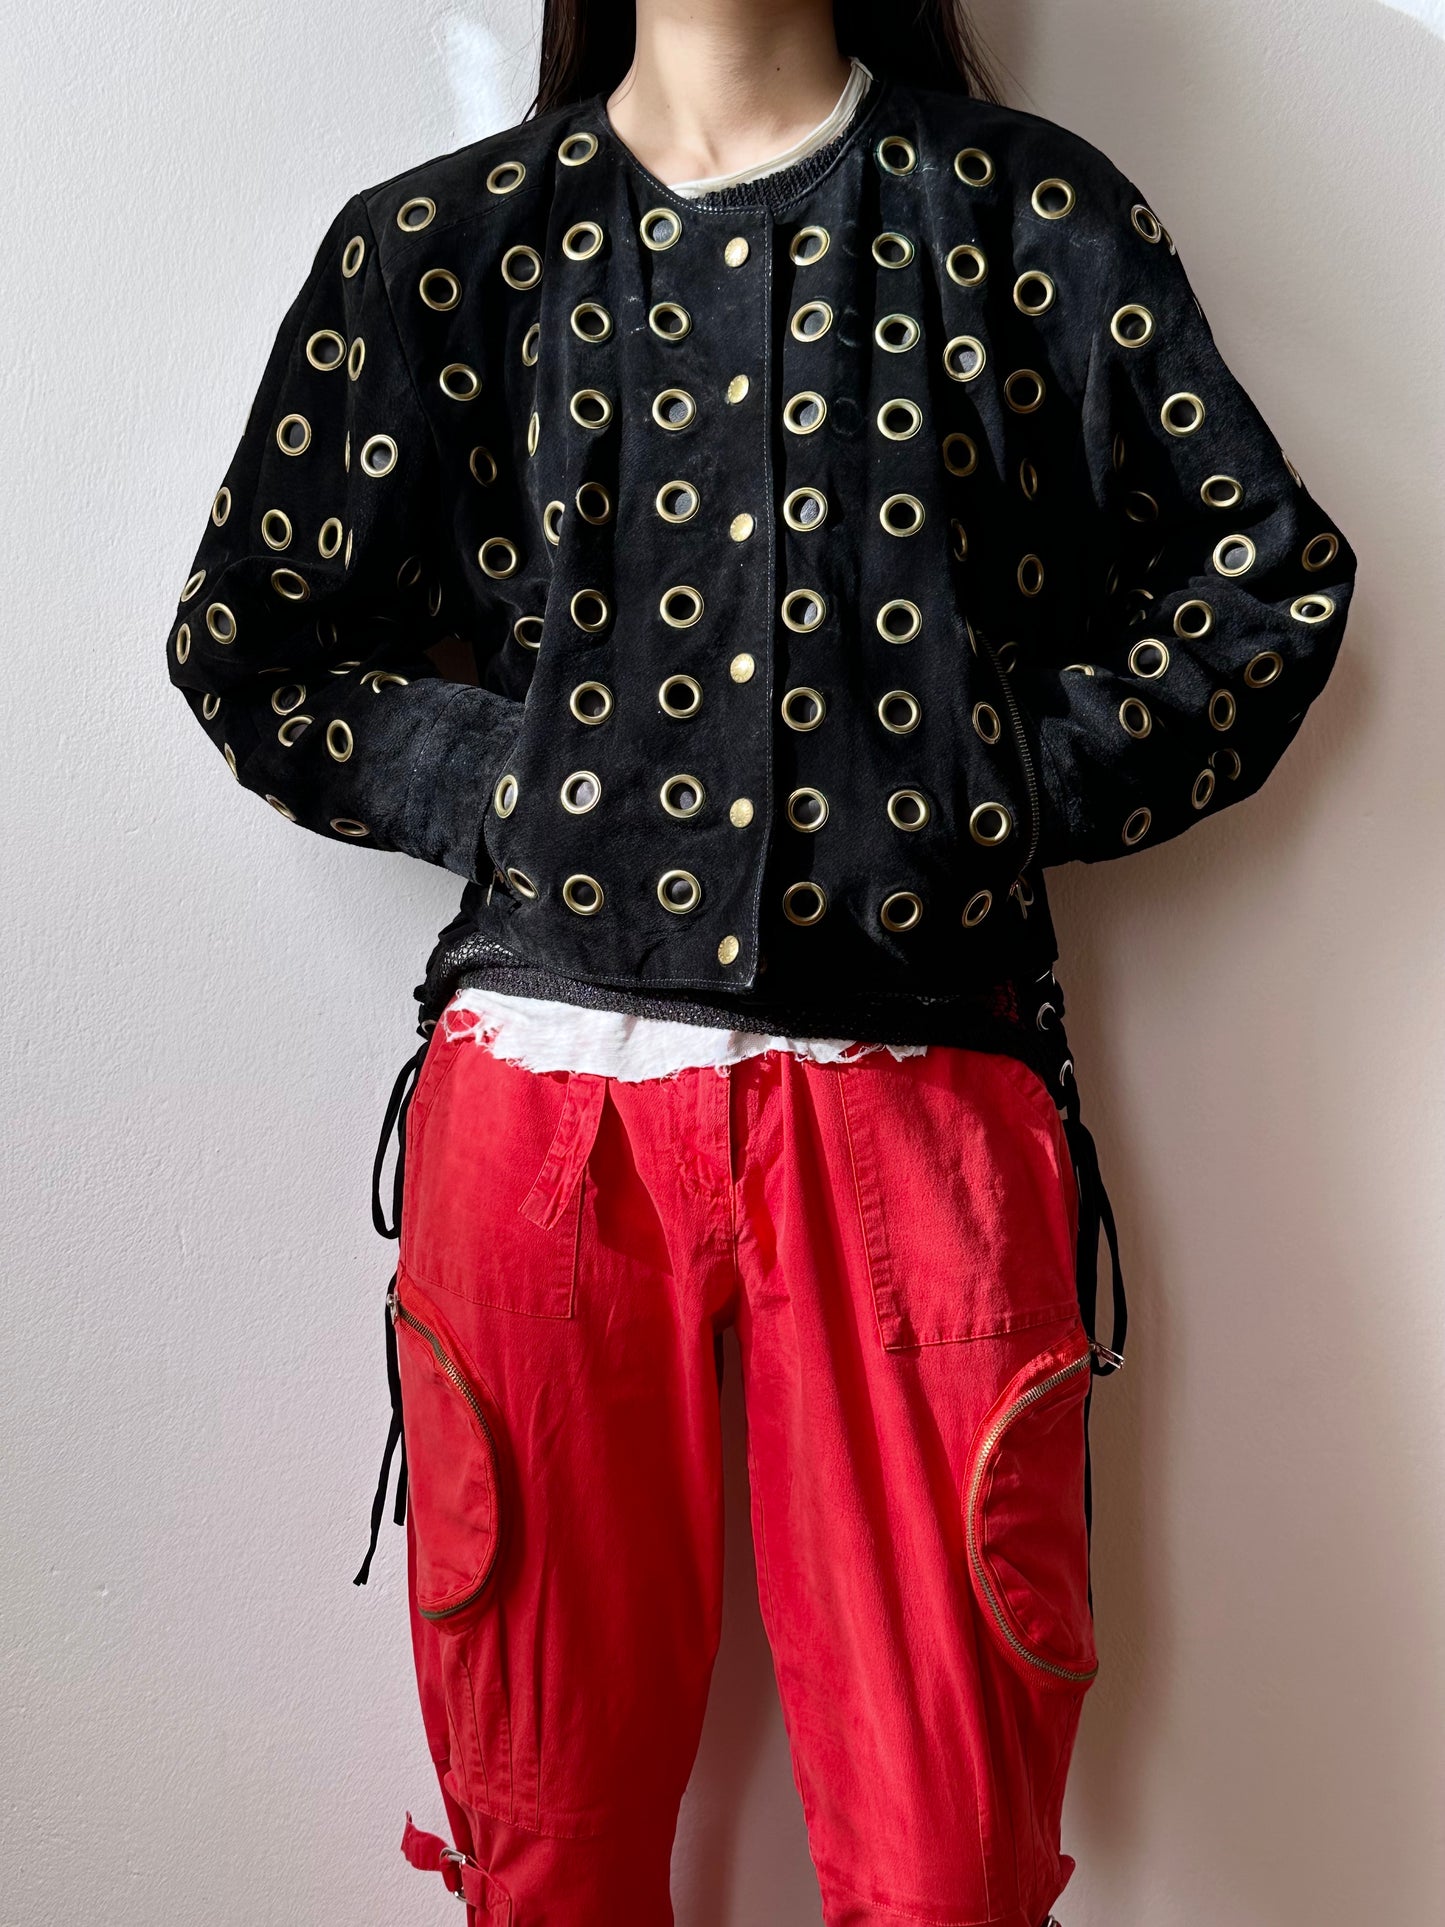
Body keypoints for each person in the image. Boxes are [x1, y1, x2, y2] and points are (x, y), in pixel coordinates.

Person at [165, 1, 1355, 1920]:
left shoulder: (1023, 216)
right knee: (546, 1858)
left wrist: (975, 785)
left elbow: (1266, 578)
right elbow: (252, 637)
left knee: (949, 1867)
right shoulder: (442, 247)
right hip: (542, 1116)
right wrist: (527, 781)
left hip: (920, 1101)